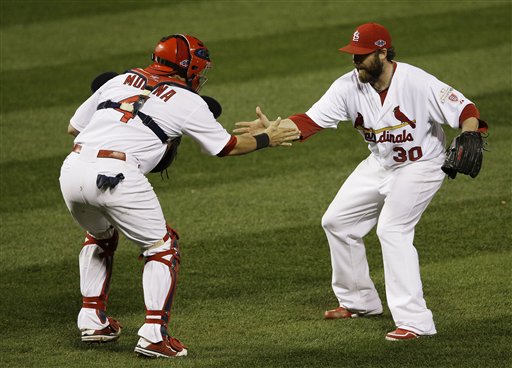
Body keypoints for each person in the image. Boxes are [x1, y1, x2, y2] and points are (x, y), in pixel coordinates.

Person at [234, 23, 488, 341]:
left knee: (393, 229)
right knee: (337, 222)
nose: (356, 62)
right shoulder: (347, 87)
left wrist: (469, 132)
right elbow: (310, 121)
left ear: (383, 52)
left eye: (363, 55)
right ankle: (359, 302)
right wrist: (273, 130)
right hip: (381, 163)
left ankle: (416, 321)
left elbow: (466, 108)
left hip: (421, 165)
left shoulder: (416, 82)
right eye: (353, 55)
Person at [59, 34, 300, 358]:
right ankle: (154, 336)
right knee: (162, 246)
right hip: (117, 175)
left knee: (100, 234)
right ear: (192, 68)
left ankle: (92, 321)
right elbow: (225, 147)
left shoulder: (118, 80)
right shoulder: (187, 100)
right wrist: (265, 138)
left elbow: (74, 127)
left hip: (72, 169)